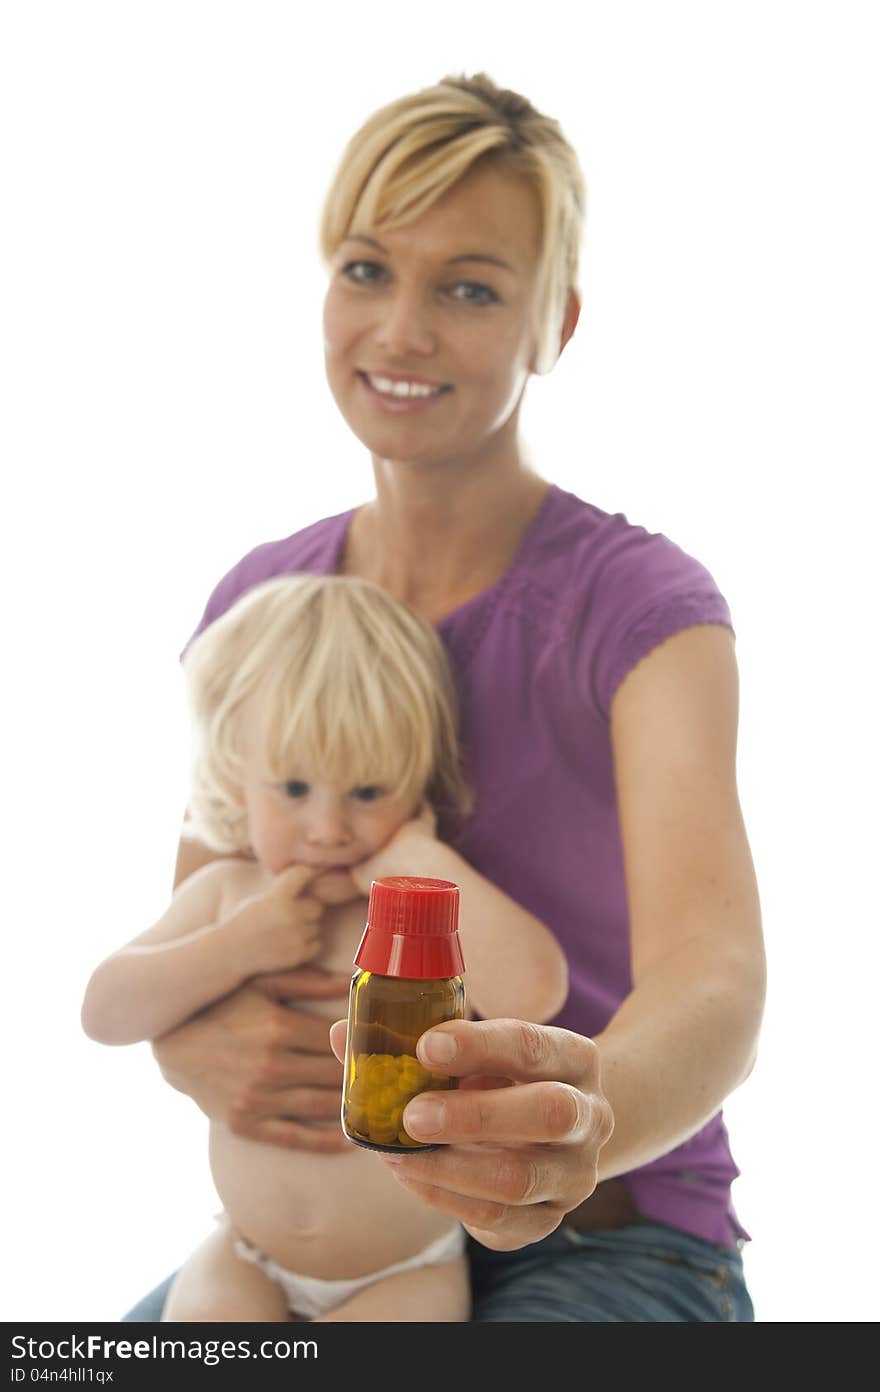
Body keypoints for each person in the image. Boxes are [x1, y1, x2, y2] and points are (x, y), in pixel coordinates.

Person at [122, 71, 765, 1323]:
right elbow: (204, 919)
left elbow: (717, 978)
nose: (401, 332)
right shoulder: (258, 602)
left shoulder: (644, 612)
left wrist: (573, 1127)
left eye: (469, 288)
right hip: (317, 1248)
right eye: (367, 270)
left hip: (605, 1241)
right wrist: (184, 1045)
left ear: (552, 327)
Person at [82, 573, 568, 1321]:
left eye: (369, 792)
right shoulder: (231, 896)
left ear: (419, 785)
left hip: (405, 1274)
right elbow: (106, 1011)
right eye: (294, 788)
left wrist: (421, 863)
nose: (329, 827)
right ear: (237, 775)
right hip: (245, 1257)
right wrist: (233, 948)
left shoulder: (420, 921)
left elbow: (538, 989)